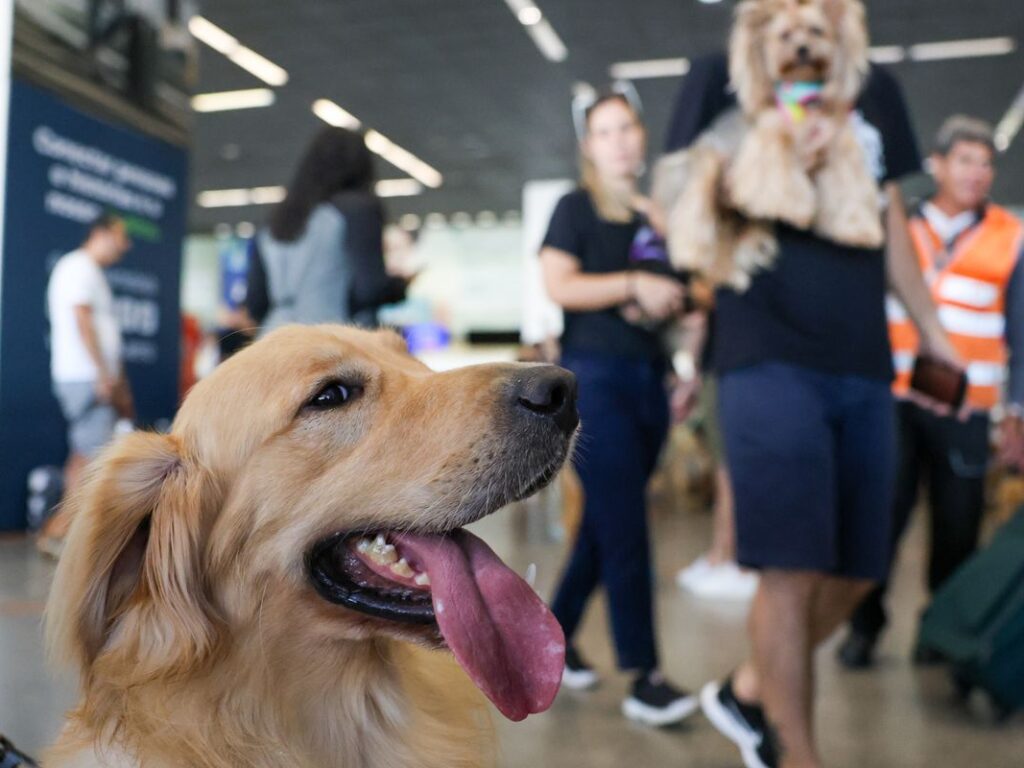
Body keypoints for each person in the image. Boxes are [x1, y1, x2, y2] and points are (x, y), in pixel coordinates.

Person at [665, 51, 960, 768]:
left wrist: (932, 329)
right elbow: (674, 200)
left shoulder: (872, 84)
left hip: (861, 356)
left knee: (861, 567)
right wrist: (768, 160)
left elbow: (890, 217)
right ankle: (797, 754)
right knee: (790, 569)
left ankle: (747, 688)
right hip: (763, 351)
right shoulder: (723, 74)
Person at [838, 116, 1024, 669]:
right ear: (937, 165)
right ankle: (864, 628)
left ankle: (939, 631)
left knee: (958, 526)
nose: (977, 172)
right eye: (965, 160)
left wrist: (1017, 410)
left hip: (966, 407)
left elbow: (1022, 330)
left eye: (986, 162)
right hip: (892, 397)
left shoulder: (1010, 236)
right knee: (880, 518)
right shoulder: (899, 225)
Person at [541, 91, 696, 727]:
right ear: (589, 145)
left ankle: (554, 639)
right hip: (597, 378)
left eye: (627, 127)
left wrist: (683, 359)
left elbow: (686, 294)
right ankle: (644, 675)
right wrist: (632, 285)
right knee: (627, 524)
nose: (620, 141)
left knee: (605, 529)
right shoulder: (573, 208)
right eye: (605, 132)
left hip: (651, 380)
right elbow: (560, 286)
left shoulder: (657, 214)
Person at [246, 126, 408, 333]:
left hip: (274, 340)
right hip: (332, 343)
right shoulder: (357, 209)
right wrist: (399, 287)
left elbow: (256, 303)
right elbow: (369, 290)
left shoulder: (274, 222)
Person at [41, 212, 133, 558]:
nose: (126, 245)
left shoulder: (91, 273)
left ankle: (60, 532)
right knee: (91, 457)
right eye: (121, 236)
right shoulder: (77, 267)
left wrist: (117, 382)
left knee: (83, 454)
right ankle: (59, 532)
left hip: (94, 377)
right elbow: (82, 322)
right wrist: (102, 374)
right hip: (86, 378)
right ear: (102, 232)